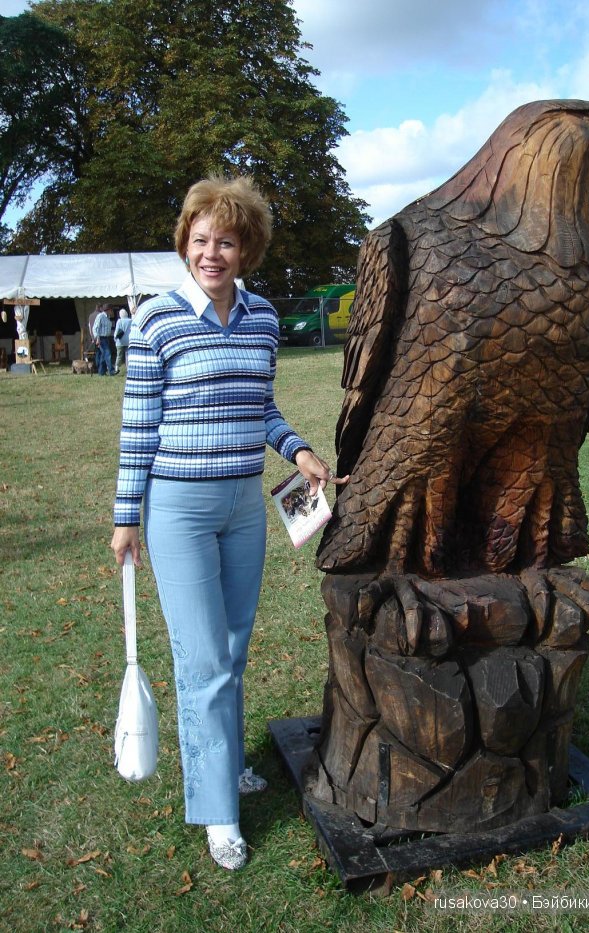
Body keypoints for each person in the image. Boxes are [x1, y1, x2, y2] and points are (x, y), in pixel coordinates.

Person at [110, 175, 348, 873]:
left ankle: (225, 762)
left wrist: (298, 450)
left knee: (233, 650)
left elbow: (261, 408)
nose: (212, 253)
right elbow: (138, 426)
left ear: (247, 250)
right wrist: (127, 519)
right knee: (204, 660)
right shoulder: (157, 320)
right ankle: (218, 808)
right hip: (178, 510)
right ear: (185, 243)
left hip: (245, 505)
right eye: (201, 239)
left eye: (227, 242)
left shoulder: (263, 317)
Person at [92, 305, 114, 375]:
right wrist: (97, 338)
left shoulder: (108, 317)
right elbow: (95, 328)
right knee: (107, 353)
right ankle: (112, 371)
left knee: (103, 356)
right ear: (108, 310)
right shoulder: (100, 316)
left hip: (107, 338)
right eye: (111, 310)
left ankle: (101, 372)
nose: (112, 312)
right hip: (101, 338)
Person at [113, 308, 131, 373]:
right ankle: (128, 369)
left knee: (119, 355)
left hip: (120, 341)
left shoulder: (119, 321)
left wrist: (115, 337)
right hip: (128, 340)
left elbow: (117, 330)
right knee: (128, 355)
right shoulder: (130, 320)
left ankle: (116, 368)